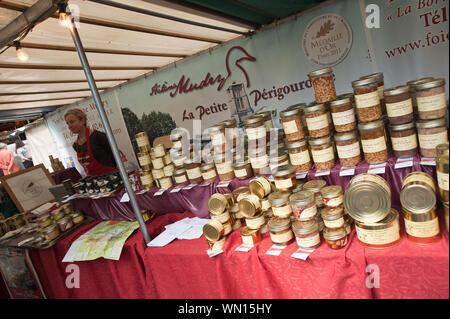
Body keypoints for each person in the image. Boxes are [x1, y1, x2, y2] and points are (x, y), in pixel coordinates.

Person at [64, 108, 117, 176]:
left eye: (72, 122)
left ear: (83, 120)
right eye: (67, 123)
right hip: (94, 181)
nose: (69, 126)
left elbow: (115, 156)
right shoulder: (75, 145)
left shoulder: (98, 136)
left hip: (111, 177)